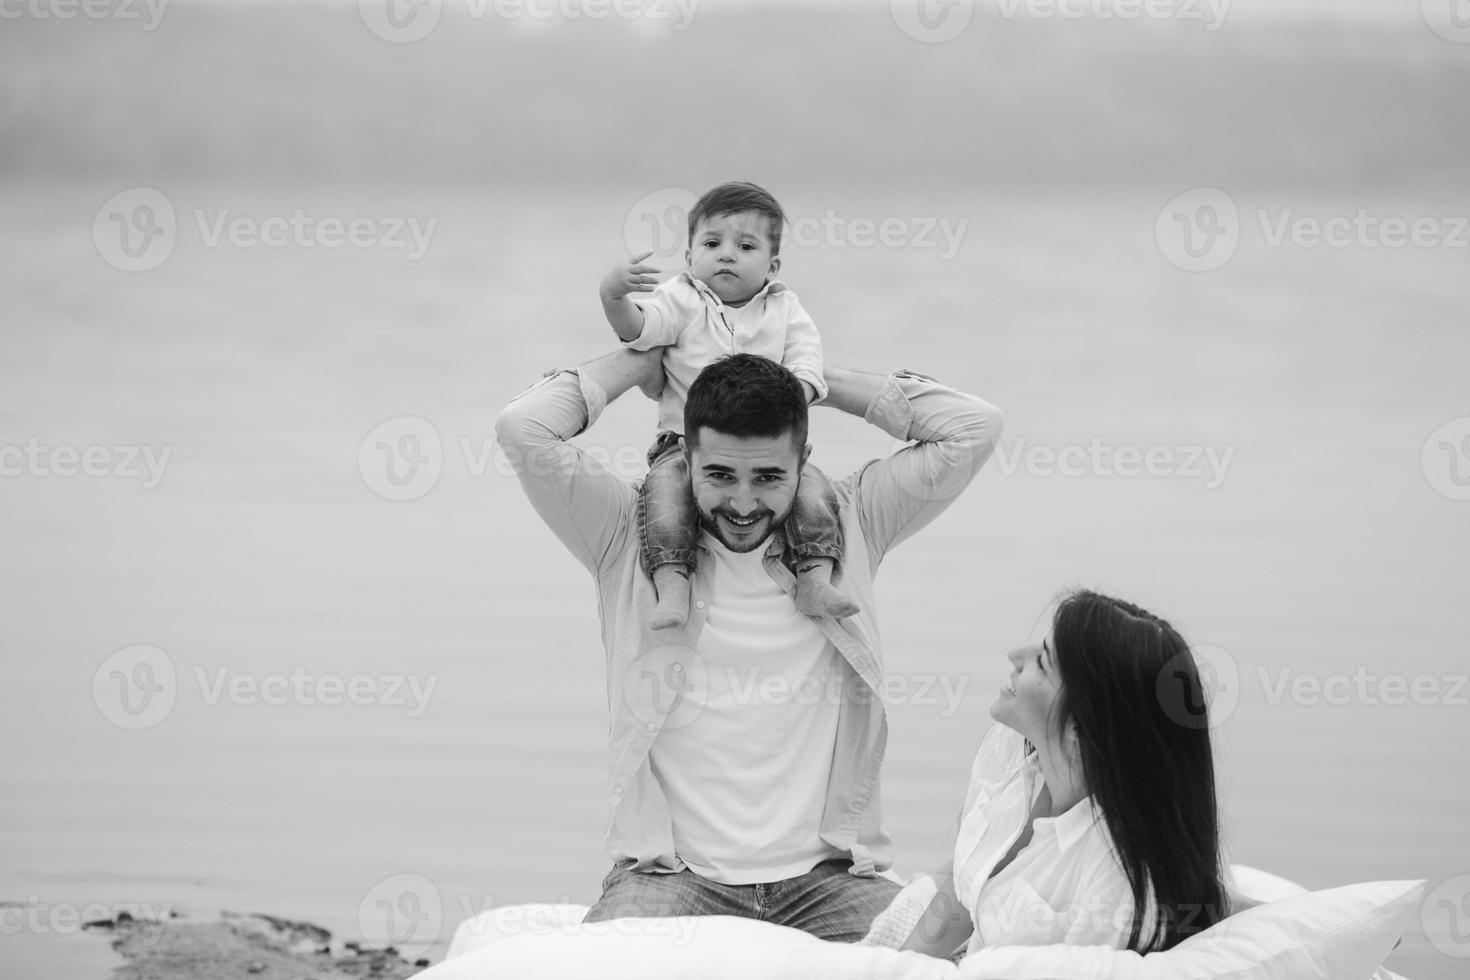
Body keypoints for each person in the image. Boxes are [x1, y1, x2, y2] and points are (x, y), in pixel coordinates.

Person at [494, 349, 1003, 942]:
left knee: (951, 960)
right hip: (671, 879)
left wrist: (810, 380)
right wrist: (649, 362)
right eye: (719, 476)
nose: (741, 504)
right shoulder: (622, 533)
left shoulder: (854, 519)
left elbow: (975, 427)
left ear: (802, 461)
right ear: (685, 459)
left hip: (828, 882)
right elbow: (522, 426)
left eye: (768, 477)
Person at [861, 590, 1230, 958]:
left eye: (1042, 662)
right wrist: (897, 967)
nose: (1015, 657)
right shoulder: (1022, 758)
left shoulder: (1114, 879)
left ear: (1080, 729)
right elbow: (964, 883)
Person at [600, 181, 852, 629]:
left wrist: (780, 402)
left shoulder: (786, 310)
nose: (726, 255)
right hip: (684, 441)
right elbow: (640, 329)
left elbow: (808, 370)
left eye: (745, 245)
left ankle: (815, 575)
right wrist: (614, 298)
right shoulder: (681, 300)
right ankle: (673, 584)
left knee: (814, 492)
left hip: (767, 444)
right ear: (689, 257)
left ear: (772, 264)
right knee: (664, 497)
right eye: (712, 243)